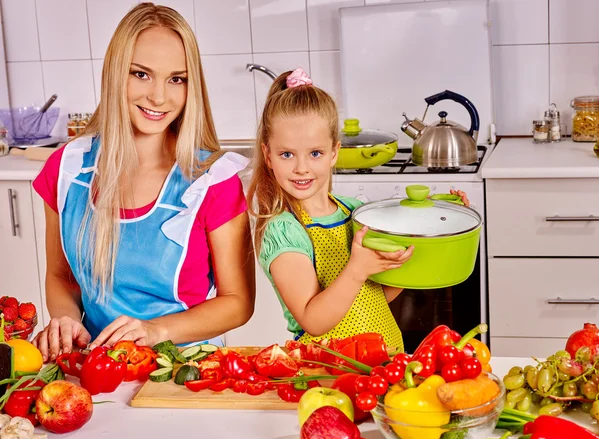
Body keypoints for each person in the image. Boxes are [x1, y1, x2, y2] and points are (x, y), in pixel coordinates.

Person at [32, 3, 255, 362]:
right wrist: (67, 319)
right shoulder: (68, 169)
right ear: (116, 72)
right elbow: (61, 276)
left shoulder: (212, 181)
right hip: (95, 367)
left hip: (185, 373)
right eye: (141, 74)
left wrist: (156, 331)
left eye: (176, 79)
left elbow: (238, 303)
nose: (159, 97)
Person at [247, 68, 414, 351]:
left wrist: (402, 263)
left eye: (315, 153)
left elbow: (371, 298)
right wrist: (357, 270)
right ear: (268, 156)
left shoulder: (355, 211)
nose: (301, 167)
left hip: (387, 360)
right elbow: (313, 320)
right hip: (328, 373)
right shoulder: (284, 230)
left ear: (334, 152)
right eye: (287, 154)